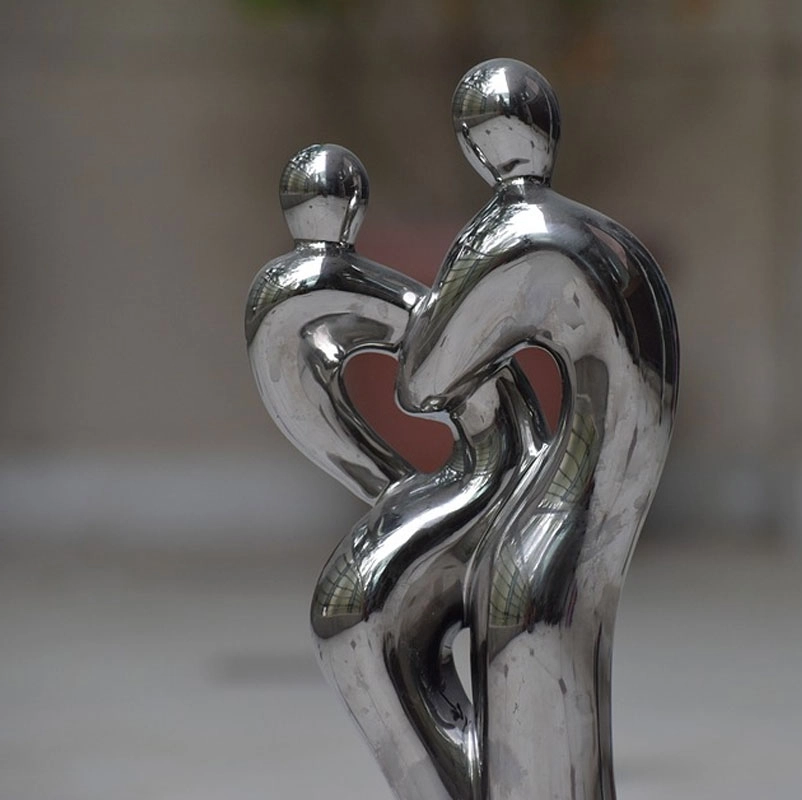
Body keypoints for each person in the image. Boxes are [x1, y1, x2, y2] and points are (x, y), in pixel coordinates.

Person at [399, 59, 680, 800]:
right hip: (605, 506)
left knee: (523, 621)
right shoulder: (605, 237)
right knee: (546, 631)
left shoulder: (510, 238)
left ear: (475, 145)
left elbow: (423, 381)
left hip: (559, 522)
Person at [246, 144, 546, 800]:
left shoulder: (290, 294)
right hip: (496, 468)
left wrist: (391, 490)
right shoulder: (309, 296)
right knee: (360, 625)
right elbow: (311, 403)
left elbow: (317, 406)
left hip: (493, 472)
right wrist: (391, 487)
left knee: (359, 624)